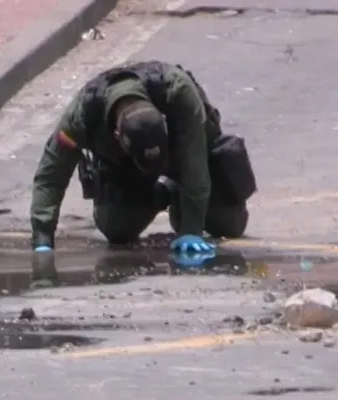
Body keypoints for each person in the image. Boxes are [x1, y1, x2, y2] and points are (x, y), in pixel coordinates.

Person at [28, 60, 257, 259]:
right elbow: (51, 174)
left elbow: (194, 163)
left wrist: (191, 229)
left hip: (182, 156)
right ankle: (163, 194)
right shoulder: (82, 116)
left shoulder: (178, 91)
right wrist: (42, 237)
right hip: (128, 170)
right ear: (117, 135)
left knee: (227, 223)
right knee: (117, 229)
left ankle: (182, 199)